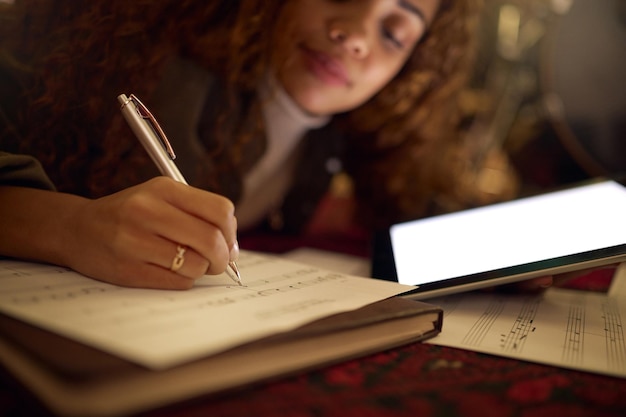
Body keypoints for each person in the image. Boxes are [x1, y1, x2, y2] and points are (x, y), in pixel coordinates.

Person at [3, 0, 542, 290]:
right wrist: (71, 228)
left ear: (413, 67)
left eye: (394, 32)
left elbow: (393, 203)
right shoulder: (131, 60)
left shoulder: (342, 134)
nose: (355, 34)